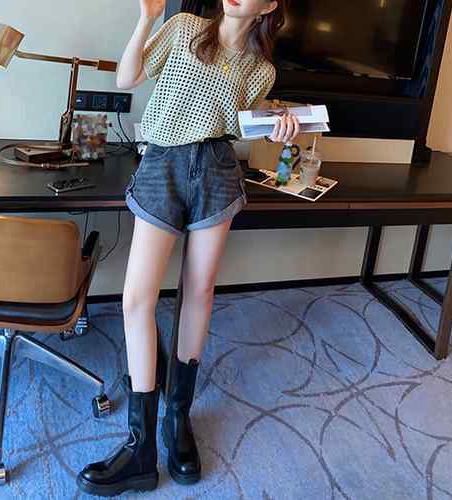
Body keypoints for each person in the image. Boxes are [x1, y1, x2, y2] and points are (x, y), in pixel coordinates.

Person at [76, 0, 299, 496]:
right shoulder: (184, 28)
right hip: (163, 165)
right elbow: (126, 79)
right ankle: (140, 448)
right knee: (136, 300)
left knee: (199, 292)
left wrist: (278, 124)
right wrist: (146, 19)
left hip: (217, 170)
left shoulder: (261, 70)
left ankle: (177, 418)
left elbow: (241, 126)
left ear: (269, 5)